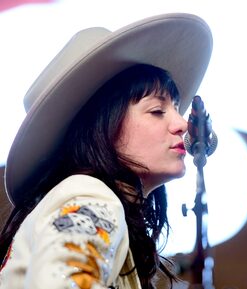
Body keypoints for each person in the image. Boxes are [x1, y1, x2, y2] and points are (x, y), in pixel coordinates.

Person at [0, 13, 212, 289]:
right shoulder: (92, 197)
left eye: (176, 107)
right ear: (103, 128)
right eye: (157, 111)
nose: (183, 124)